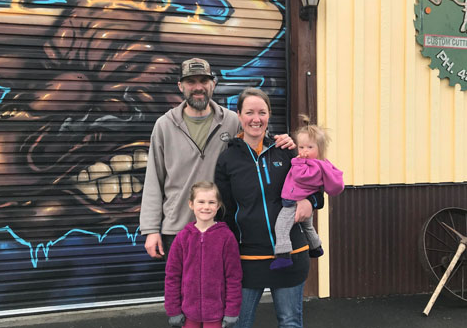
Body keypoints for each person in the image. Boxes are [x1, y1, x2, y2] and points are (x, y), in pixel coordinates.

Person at [140, 58, 295, 260]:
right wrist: (151, 229)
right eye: (191, 82)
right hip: (178, 227)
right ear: (180, 86)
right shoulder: (165, 125)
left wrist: (282, 141)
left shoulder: (231, 120)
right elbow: (154, 179)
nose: (198, 88)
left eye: (204, 81)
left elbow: (258, 148)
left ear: (213, 84)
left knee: (219, 289)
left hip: (220, 226)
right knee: (182, 290)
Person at [215, 88, 321, 328]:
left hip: (290, 255)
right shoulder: (228, 159)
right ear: (239, 116)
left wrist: (309, 202)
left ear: (269, 115)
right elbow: (225, 212)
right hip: (248, 257)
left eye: (262, 112)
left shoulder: (286, 150)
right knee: (238, 324)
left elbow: (318, 189)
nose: (256, 118)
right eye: (249, 112)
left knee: (290, 322)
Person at [270, 115, 344, 270]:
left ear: (320, 149)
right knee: (308, 227)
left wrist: (297, 162)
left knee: (281, 226)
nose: (304, 151)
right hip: (302, 202)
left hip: (293, 202)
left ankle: (283, 256)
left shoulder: (314, 165)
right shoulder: (314, 163)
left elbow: (301, 177)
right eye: (301, 147)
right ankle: (316, 247)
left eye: (310, 147)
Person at [164, 181, 241, 328]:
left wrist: (232, 311)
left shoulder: (226, 237)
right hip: (188, 314)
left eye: (211, 202)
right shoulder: (182, 238)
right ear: (191, 204)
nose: (206, 207)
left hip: (216, 314)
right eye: (201, 202)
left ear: (218, 206)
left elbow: (233, 277)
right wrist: (173, 310)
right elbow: (172, 276)